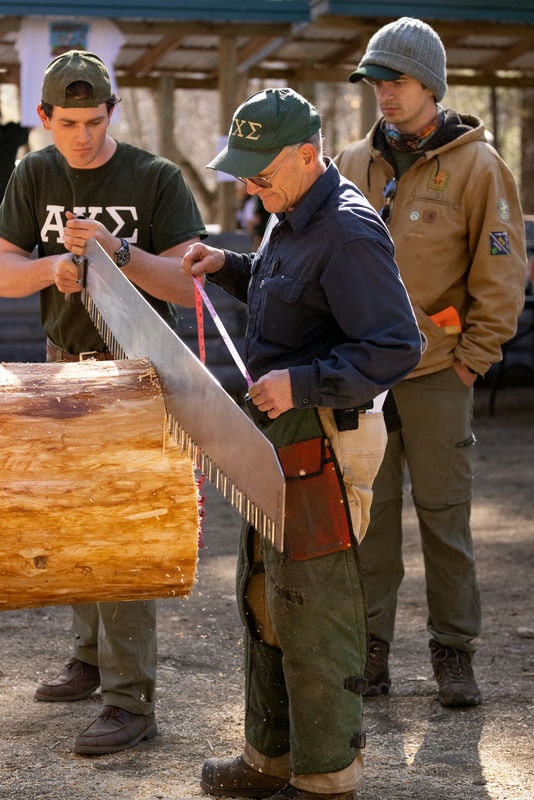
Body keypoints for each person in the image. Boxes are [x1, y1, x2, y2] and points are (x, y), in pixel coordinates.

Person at [181, 87, 421, 800]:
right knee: (266, 595)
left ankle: (325, 778)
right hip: (280, 440)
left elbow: (396, 346)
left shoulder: (348, 231)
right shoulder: (288, 214)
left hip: (326, 437)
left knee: (313, 610)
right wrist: (226, 267)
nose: (250, 187)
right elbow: (286, 294)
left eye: (261, 172)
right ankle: (269, 760)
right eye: (245, 173)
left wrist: (303, 384)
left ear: (308, 155)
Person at [0, 50, 207, 754]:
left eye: (95, 121)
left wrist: (122, 257)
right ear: (44, 119)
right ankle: (90, 659)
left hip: (140, 377)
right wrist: (48, 269)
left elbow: (192, 286)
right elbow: (3, 270)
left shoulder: (155, 177)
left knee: (124, 536)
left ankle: (130, 703)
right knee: (71, 525)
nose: (83, 136)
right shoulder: (33, 172)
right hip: (64, 374)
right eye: (69, 123)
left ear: (112, 113)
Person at [335, 16, 526, 708]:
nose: (384, 93)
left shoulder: (479, 166)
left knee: (444, 514)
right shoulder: (354, 163)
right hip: (365, 377)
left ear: (432, 85)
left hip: (441, 373)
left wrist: (473, 360)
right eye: (375, 82)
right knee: (371, 517)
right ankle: (371, 648)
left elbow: (501, 276)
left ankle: (454, 651)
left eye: (398, 81)